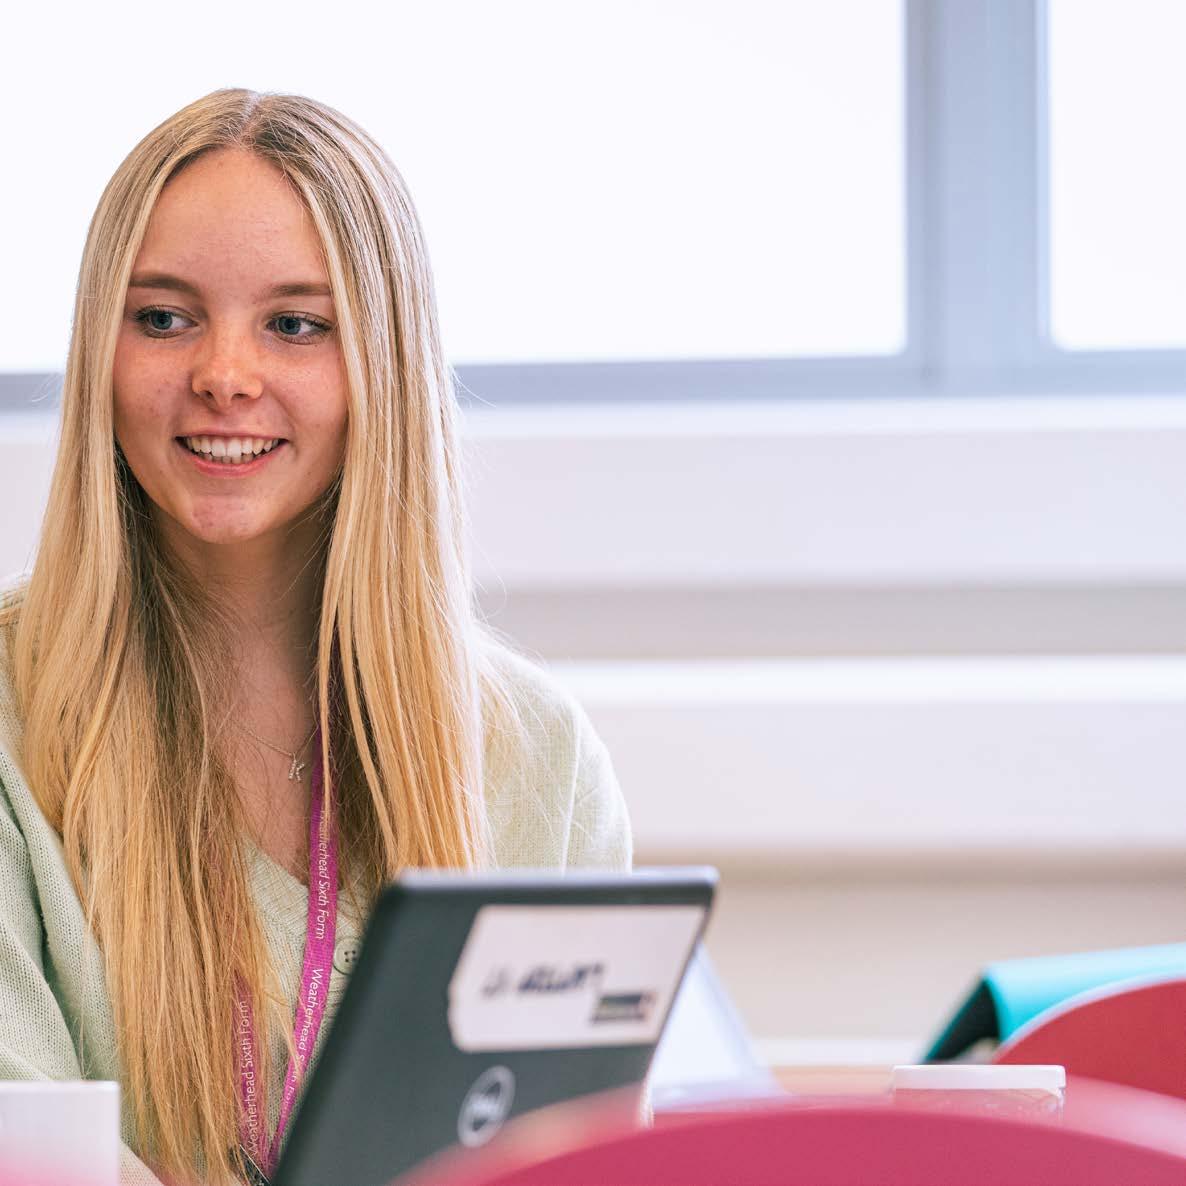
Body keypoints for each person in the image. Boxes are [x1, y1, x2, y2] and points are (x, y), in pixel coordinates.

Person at [0, 88, 631, 1186]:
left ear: (384, 363)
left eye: (295, 325)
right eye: (164, 318)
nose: (224, 375)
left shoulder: (538, 756)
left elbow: (577, 1156)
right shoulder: (13, 718)